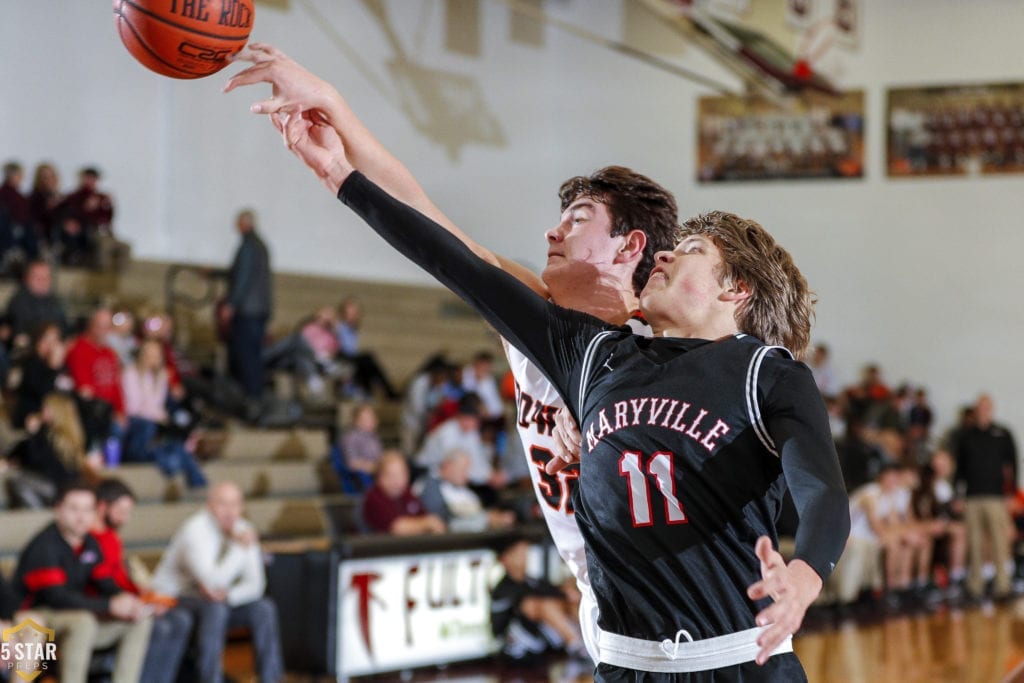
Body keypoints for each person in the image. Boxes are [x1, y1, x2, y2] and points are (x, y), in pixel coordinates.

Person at [263, 114, 849, 679]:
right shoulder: (588, 353)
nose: (552, 232)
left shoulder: (756, 373)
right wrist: (341, 175)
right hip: (616, 628)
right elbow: (450, 254)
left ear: (734, 288)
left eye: (692, 249)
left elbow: (821, 491)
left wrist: (805, 573)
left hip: (728, 643)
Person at [225, 45, 681, 665]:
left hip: (682, 598)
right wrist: (336, 110)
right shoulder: (534, 316)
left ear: (630, 247)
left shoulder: (665, 350)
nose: (553, 230)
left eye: (577, 219)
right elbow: (430, 221)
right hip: (601, 600)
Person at [13, 480, 152, 683]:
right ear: (58, 509)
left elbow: (104, 582)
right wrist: (110, 605)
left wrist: (130, 601)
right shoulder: (44, 545)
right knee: (83, 621)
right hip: (36, 616)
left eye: (88, 509)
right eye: (74, 509)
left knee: (140, 618)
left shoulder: (90, 543)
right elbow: (56, 597)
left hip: (74, 613)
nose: (81, 516)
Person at [150, 481, 284, 683]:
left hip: (213, 599)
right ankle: (211, 679)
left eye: (235, 504)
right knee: (216, 607)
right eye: (223, 504)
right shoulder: (194, 530)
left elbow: (256, 585)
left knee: (264, 607)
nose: (230, 511)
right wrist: (239, 549)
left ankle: (271, 679)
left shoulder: (244, 529)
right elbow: (211, 583)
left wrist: (229, 595)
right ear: (209, 505)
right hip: (174, 598)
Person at [90, 479, 194, 683]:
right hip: (105, 606)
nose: (125, 518)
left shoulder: (112, 537)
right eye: (121, 511)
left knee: (180, 620)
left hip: (127, 599)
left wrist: (146, 596)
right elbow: (102, 583)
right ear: (102, 507)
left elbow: (122, 579)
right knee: (161, 627)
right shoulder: (89, 539)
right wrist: (140, 601)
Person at [953, 393, 1017, 601]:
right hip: (972, 496)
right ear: (975, 410)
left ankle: (1003, 585)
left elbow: (1012, 466)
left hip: (996, 496)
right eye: (980, 407)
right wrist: (957, 494)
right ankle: (976, 586)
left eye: (987, 407)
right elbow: (959, 468)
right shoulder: (966, 435)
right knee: (975, 542)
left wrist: (1011, 492)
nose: (984, 411)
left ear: (992, 409)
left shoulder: (1003, 434)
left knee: (1000, 541)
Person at [121, 339, 207, 488]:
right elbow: (133, 407)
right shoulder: (129, 373)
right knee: (153, 430)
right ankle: (178, 470)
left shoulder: (161, 376)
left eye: (156, 355)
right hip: (137, 423)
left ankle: (196, 480)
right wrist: (159, 416)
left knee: (178, 439)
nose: (153, 358)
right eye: (149, 354)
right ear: (141, 355)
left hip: (155, 421)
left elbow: (158, 405)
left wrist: (163, 417)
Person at [491, 536, 589, 662]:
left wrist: (567, 592)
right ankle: (576, 645)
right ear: (505, 560)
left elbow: (553, 590)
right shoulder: (502, 588)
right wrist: (563, 594)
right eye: (518, 554)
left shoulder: (531, 581)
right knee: (538, 603)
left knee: (569, 596)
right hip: (512, 646)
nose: (524, 557)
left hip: (539, 640)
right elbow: (527, 598)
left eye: (525, 552)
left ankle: (588, 641)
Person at [6, 393, 102, 508]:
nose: (42, 411)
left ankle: (39, 512)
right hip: (64, 488)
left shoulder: (50, 435)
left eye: (47, 408)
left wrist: (33, 433)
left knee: (17, 479)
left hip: (56, 488)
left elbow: (36, 460)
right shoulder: (73, 435)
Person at [221, 208, 273, 404]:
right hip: (258, 310)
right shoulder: (260, 245)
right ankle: (255, 396)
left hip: (248, 311)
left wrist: (231, 304)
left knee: (246, 354)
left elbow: (242, 277)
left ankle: (251, 399)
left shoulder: (249, 245)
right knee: (254, 354)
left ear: (245, 223)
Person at [65, 307, 126, 449]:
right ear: (91, 326)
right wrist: (112, 411)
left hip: (110, 410)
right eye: (100, 327)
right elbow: (85, 389)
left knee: (142, 426)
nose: (104, 332)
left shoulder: (109, 353)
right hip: (93, 411)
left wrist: (120, 411)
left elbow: (116, 385)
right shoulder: (79, 349)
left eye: (107, 327)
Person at [415, 449, 516, 532]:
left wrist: (494, 517)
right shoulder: (428, 486)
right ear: (447, 465)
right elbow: (443, 521)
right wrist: (486, 520)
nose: (466, 475)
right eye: (463, 470)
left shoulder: (462, 489)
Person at [360, 451, 446, 535]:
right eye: (392, 475)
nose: (398, 480)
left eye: (402, 474)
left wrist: (429, 523)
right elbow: (397, 528)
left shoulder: (406, 493)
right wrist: (427, 523)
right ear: (380, 477)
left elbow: (423, 516)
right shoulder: (374, 497)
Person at [335, 296, 399, 399]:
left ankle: (374, 392)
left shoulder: (352, 330)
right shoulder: (338, 327)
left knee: (367, 364)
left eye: (356, 313)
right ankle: (388, 392)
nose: (354, 316)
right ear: (343, 313)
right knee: (368, 358)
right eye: (351, 313)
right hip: (341, 358)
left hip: (351, 359)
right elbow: (341, 350)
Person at [54, 166, 113, 266]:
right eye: (88, 178)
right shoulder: (73, 196)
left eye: (93, 178)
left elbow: (106, 218)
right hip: (77, 229)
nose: (90, 181)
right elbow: (64, 214)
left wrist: (107, 206)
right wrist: (86, 209)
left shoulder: (102, 198)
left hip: (94, 229)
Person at [3, 259, 68, 344]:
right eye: (37, 277)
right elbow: (20, 337)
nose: (42, 281)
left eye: (46, 277)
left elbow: (65, 330)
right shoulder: (18, 302)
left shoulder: (56, 301)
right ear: (27, 279)